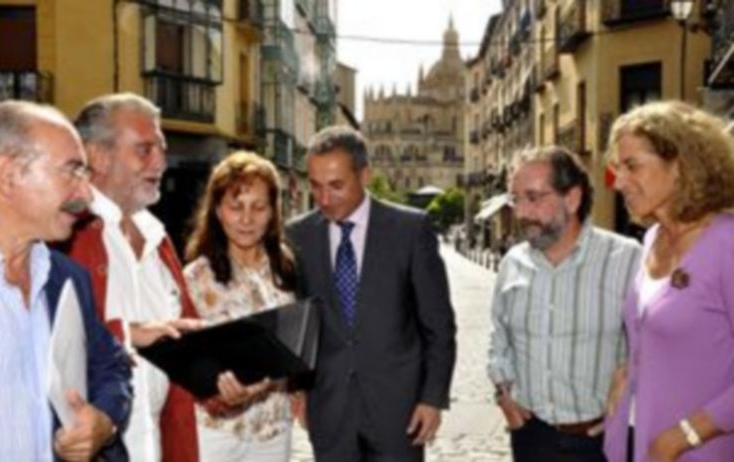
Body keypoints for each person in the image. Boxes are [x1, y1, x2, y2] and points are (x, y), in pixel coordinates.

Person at [0, 101, 132, 460]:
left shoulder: (67, 277)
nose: (86, 194)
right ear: (8, 175)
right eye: (72, 171)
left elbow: (110, 364)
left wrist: (104, 421)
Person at [286, 125, 457, 462]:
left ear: (365, 174)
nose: (323, 199)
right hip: (330, 412)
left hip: (400, 413)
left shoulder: (410, 230)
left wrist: (432, 398)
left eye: (336, 186)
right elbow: (302, 324)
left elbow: (439, 327)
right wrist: (299, 387)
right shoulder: (298, 236)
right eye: (315, 186)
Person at [68, 93, 203, 461]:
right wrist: (128, 334)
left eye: (161, 148)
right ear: (97, 156)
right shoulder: (65, 234)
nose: (161, 161)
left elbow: (185, 340)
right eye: (144, 150)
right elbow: (49, 344)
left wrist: (224, 375)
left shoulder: (159, 238)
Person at [487, 146, 641, 462]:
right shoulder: (511, 263)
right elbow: (499, 337)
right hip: (532, 439)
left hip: (603, 442)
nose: (521, 213)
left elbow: (649, 346)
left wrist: (627, 405)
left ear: (572, 199)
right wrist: (503, 393)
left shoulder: (628, 259)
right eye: (516, 199)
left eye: (534, 197)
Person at [603, 101, 734, 462]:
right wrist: (627, 372)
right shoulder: (652, 239)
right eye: (618, 168)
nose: (620, 182)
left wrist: (683, 436)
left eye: (632, 166)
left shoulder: (727, 243)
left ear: (680, 166)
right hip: (637, 441)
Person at [182, 151, 297, 461]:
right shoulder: (194, 278)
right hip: (218, 433)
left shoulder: (285, 266)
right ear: (217, 210)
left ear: (273, 212)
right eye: (236, 207)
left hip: (274, 429)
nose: (247, 219)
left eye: (259, 207)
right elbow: (183, 360)